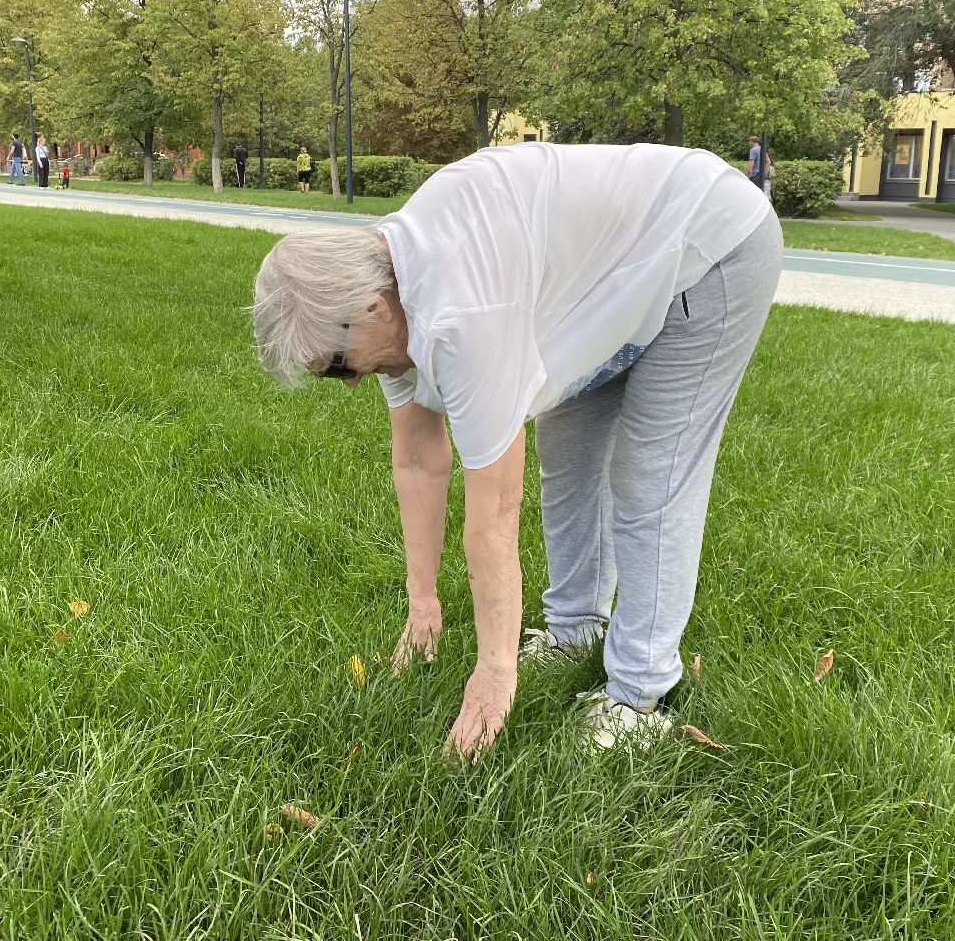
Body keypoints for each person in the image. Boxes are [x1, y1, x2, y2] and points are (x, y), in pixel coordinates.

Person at [252, 143, 784, 758]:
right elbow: (418, 459)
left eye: (336, 366)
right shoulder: (388, 297)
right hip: (609, 275)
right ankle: (573, 630)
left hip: (709, 244)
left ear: (370, 309)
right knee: (567, 451)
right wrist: (422, 603)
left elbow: (496, 513)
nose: (346, 383)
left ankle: (641, 693)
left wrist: (495, 672)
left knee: (649, 477)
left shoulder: (460, 314)